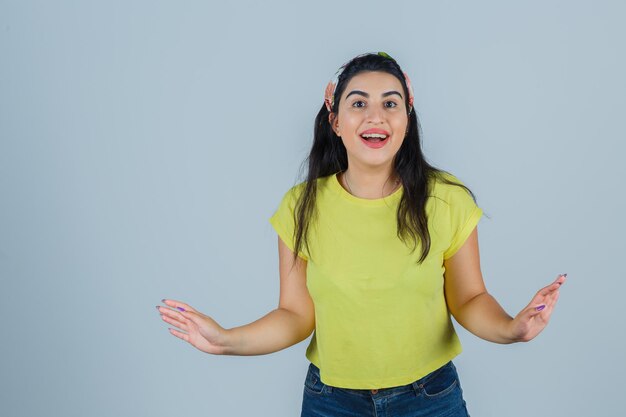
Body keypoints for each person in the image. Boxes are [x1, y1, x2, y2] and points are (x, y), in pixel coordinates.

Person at [156, 52, 566, 417]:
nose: (376, 116)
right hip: (331, 401)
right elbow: (296, 316)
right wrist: (226, 340)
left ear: (407, 118)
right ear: (335, 121)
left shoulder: (446, 199)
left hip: (430, 398)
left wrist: (513, 329)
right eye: (358, 104)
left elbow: (470, 299)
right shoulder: (302, 205)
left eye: (391, 103)